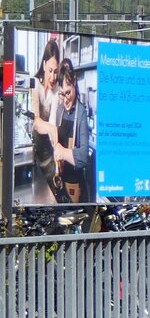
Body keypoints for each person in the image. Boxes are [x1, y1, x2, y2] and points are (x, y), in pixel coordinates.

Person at [52, 58, 94, 205]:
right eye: (62, 94)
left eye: (68, 93)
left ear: (75, 81)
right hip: (60, 181)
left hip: (75, 186)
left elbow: (83, 158)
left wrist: (62, 152)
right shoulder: (59, 110)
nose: (65, 99)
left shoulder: (81, 112)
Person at [30, 38, 62, 202]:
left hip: (49, 156)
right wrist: (50, 128)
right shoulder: (34, 85)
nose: (53, 76)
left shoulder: (56, 92)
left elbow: (53, 121)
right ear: (43, 65)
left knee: (50, 198)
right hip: (35, 153)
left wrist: (57, 151)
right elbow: (35, 122)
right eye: (50, 70)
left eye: (56, 71)